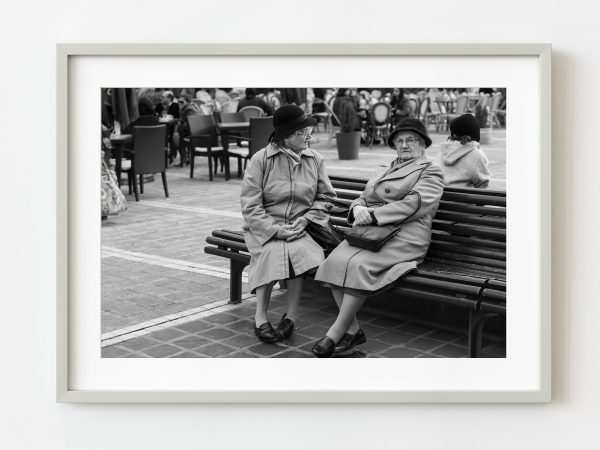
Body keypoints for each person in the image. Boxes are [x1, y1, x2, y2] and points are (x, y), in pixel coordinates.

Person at [312, 118, 444, 357]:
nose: (405, 145)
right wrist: (357, 208)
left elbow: (415, 204)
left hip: (407, 235)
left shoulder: (431, 171)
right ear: (393, 144)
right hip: (370, 233)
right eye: (400, 140)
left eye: (411, 140)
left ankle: (335, 331)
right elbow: (364, 197)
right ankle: (353, 331)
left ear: (423, 145)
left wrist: (373, 215)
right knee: (333, 262)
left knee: (359, 265)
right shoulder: (384, 168)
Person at [240, 105, 336, 344]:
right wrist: (274, 230)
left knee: (297, 251)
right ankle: (260, 316)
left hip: (303, 226)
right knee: (272, 250)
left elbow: (326, 197)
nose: (308, 137)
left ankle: (291, 316)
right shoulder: (260, 160)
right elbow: (250, 206)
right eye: (304, 133)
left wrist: (307, 219)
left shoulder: (315, 159)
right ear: (288, 136)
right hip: (265, 226)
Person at [435, 113, 491, 188]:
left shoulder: (443, 151)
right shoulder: (476, 155)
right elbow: (483, 187)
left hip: (439, 197)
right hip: (464, 199)